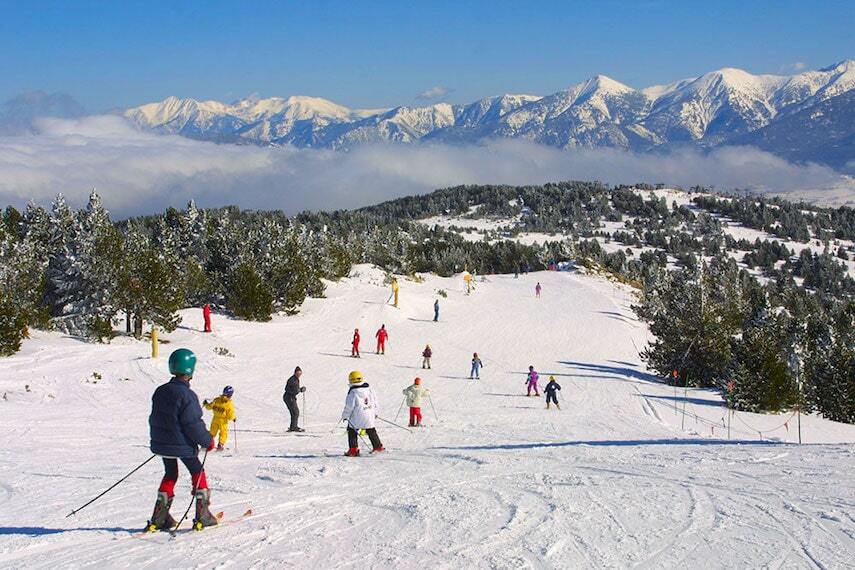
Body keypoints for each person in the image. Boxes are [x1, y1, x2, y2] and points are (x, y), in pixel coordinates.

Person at [147, 348, 218, 532]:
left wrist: (160, 441)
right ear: (190, 370)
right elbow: (192, 424)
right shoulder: (187, 395)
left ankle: (160, 517)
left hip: (162, 443)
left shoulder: (160, 391)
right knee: (197, 470)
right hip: (181, 445)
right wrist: (207, 440)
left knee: (170, 474)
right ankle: (203, 514)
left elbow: (156, 417)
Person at [341, 371, 384, 456]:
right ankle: (378, 446)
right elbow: (375, 401)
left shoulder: (353, 392)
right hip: (369, 414)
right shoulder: (369, 389)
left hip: (357, 416)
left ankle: (353, 450)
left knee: (352, 430)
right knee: (371, 430)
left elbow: (349, 406)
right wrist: (375, 412)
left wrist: (345, 416)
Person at [203, 386, 237, 451]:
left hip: (215, 419)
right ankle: (220, 444)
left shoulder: (217, 400)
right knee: (223, 432)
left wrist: (206, 404)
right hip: (223, 421)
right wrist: (234, 418)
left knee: (212, 431)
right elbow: (230, 415)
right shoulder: (229, 404)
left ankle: (207, 443)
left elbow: (209, 407)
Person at [283, 366, 306, 432]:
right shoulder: (292, 380)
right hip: (289, 397)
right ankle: (293, 427)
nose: (299, 375)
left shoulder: (296, 379)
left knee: (294, 412)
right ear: (295, 373)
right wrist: (300, 390)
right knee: (295, 412)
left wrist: (300, 390)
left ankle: (293, 426)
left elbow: (296, 390)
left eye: (300, 374)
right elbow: (293, 390)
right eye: (298, 373)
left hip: (290, 397)